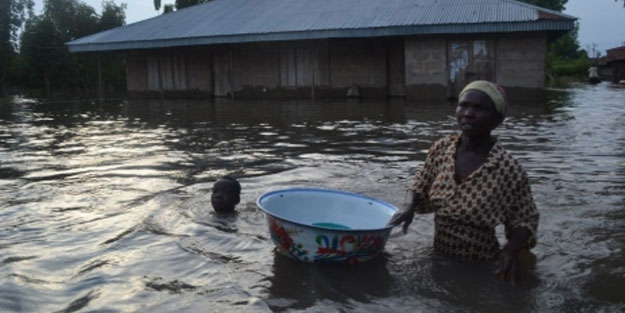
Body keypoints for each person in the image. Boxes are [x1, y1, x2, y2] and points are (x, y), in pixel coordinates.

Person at [388, 80, 539, 283]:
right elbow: (419, 183)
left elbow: (525, 219)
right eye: (464, 105)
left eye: (480, 108)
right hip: (440, 255)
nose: (468, 113)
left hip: (482, 264)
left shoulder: (507, 167)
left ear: (498, 119)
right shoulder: (442, 149)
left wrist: (510, 251)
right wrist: (408, 206)